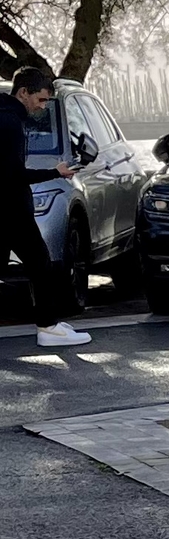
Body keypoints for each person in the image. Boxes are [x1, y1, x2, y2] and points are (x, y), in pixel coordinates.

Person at [0, 64, 86, 347]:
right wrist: (55, 172)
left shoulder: (8, 116)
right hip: (11, 208)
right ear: (23, 92)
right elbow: (13, 175)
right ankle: (48, 328)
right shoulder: (10, 123)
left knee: (37, 264)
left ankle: (49, 326)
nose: (42, 107)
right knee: (41, 264)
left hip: (8, 206)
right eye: (40, 100)